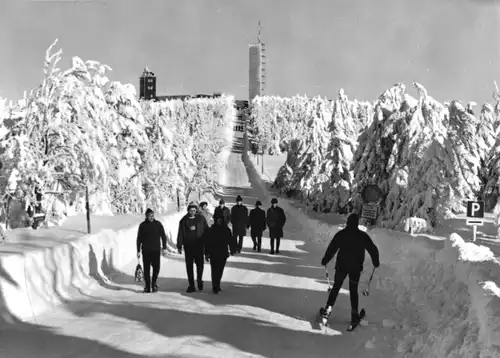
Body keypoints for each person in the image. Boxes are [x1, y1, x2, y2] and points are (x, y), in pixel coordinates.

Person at [319, 213, 380, 326]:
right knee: (353, 290)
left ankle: (327, 310)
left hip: (341, 266)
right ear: (357, 224)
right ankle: (354, 314)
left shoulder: (341, 234)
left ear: (347, 222)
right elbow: (372, 249)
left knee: (336, 288)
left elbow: (332, 248)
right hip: (355, 268)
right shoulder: (362, 236)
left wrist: (325, 260)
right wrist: (376, 262)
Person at [177, 203, 209, 293]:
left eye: (194, 211)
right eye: (191, 211)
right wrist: (179, 245)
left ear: (196, 211)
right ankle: (191, 285)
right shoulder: (184, 220)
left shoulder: (201, 219)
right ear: (188, 211)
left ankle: (199, 280)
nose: (192, 212)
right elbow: (180, 233)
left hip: (199, 246)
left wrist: (208, 244)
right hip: (188, 247)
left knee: (200, 265)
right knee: (189, 266)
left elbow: (206, 231)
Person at [136, 208, 168, 293]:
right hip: (146, 251)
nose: (151, 217)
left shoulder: (158, 224)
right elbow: (139, 239)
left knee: (156, 268)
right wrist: (138, 250)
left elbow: (163, 236)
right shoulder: (142, 225)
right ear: (146, 216)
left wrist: (164, 247)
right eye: (150, 215)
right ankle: (147, 286)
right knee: (146, 269)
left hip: (156, 250)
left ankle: (154, 283)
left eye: (152, 215)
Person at [205, 213, 236, 294]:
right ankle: (214, 286)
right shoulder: (211, 229)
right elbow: (207, 242)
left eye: (220, 220)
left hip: (223, 253)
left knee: (220, 270)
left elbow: (230, 240)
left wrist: (232, 249)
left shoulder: (226, 229)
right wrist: (206, 253)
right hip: (213, 253)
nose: (219, 221)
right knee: (214, 270)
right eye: (217, 220)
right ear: (215, 220)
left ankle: (217, 284)